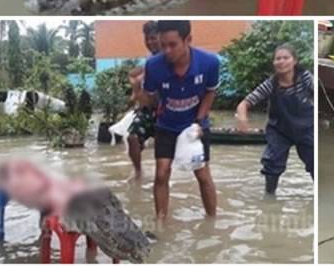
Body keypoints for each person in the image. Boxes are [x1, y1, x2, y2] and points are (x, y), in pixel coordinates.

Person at [137, 20, 219, 220]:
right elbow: (149, 100)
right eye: (163, 44)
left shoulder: (210, 63)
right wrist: (138, 90)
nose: (166, 50)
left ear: (188, 40)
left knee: (202, 174)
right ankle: (161, 222)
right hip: (166, 125)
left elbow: (210, 92)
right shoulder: (153, 66)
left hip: (194, 125)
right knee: (161, 173)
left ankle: (212, 220)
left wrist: (199, 122)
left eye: (173, 45)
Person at [235, 44, 314, 194]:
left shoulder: (305, 78)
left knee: (314, 162)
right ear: (273, 63)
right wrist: (242, 119)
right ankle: (269, 199)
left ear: (294, 61)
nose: (281, 62)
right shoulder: (271, 84)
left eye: (286, 58)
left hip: (306, 128)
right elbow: (244, 104)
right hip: (279, 130)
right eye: (278, 59)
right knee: (272, 163)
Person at [126, 21, 161, 179]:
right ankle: (138, 172)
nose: (150, 42)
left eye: (153, 38)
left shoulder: (169, 57)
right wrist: (134, 88)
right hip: (147, 110)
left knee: (165, 146)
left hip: (166, 110)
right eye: (147, 39)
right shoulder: (149, 61)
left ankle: (164, 174)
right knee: (132, 137)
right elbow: (136, 80)